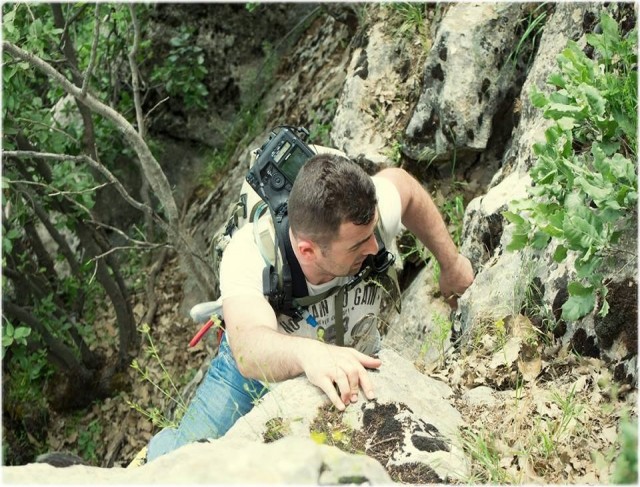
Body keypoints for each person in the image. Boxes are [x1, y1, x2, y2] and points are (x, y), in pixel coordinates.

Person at [146, 153, 474, 461]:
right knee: (178, 464)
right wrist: (311, 354)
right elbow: (247, 348)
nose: (375, 248)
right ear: (307, 250)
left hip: (353, 355)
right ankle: (161, 445)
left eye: (373, 233)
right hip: (253, 378)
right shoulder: (250, 255)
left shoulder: (358, 220)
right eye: (359, 244)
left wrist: (452, 263)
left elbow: (404, 186)